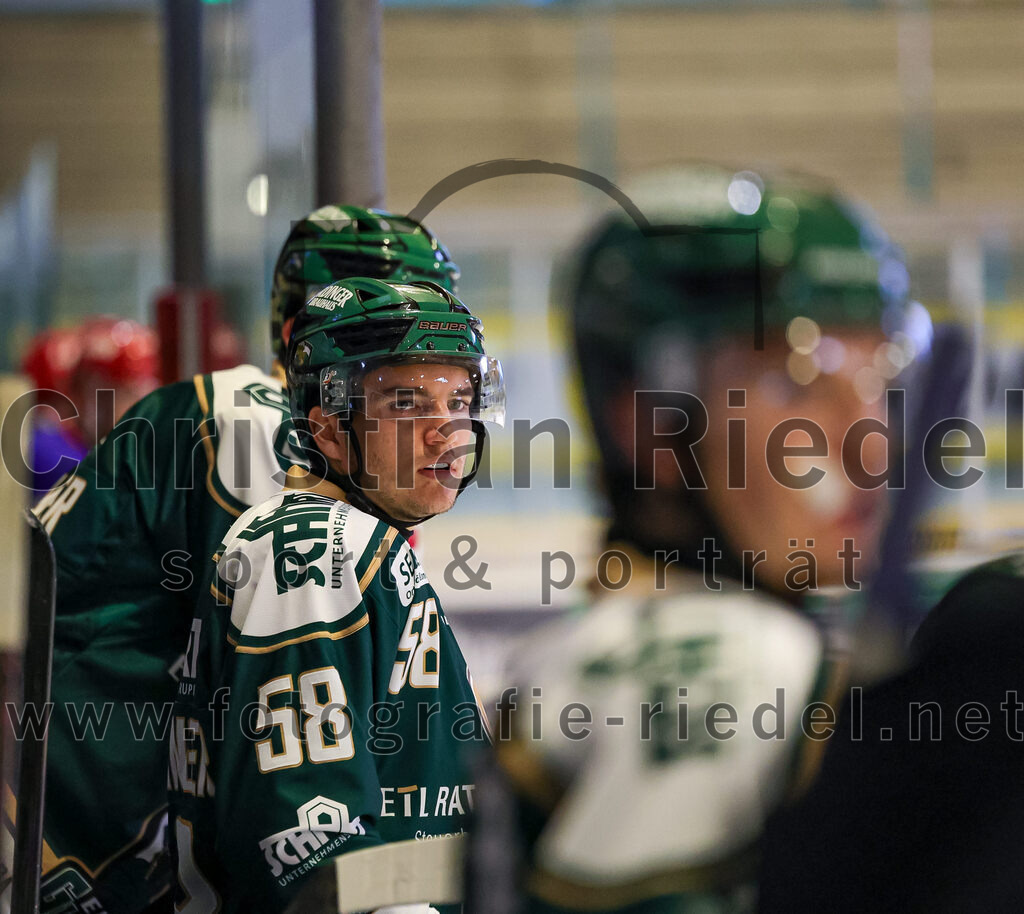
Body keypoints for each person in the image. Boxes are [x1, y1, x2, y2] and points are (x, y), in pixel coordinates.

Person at [464, 165, 927, 912]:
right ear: (651, 423)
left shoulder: (569, 663)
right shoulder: (743, 665)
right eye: (800, 384)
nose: (870, 442)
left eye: (880, 382)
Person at [15, 206, 460, 914]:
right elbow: (294, 735)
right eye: (404, 374)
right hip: (81, 810)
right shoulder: (255, 431)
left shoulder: (244, 420)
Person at [168, 278, 505, 913]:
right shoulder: (310, 548)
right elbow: (309, 835)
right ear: (326, 428)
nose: (447, 433)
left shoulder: (351, 542)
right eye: (406, 403)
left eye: (459, 401)